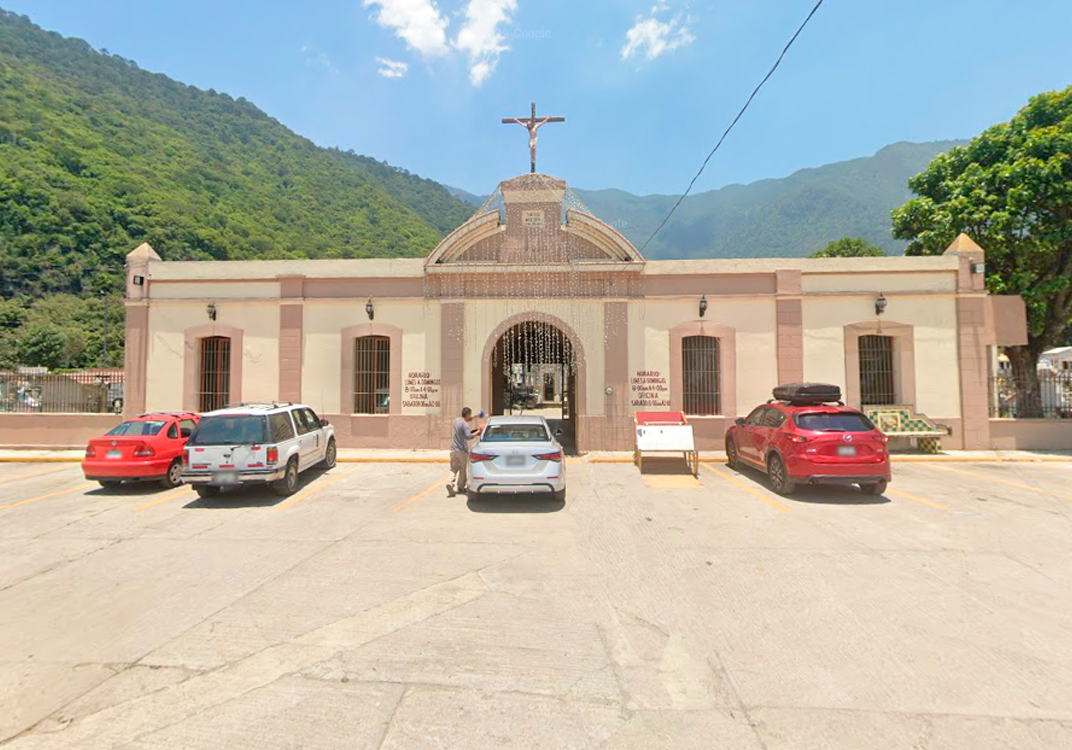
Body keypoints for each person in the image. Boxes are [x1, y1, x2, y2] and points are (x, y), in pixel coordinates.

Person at [447, 407, 483, 497]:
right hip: (461, 451)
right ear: (467, 414)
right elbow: (468, 436)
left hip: (453, 450)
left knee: (454, 468)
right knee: (463, 469)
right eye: (470, 415)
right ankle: (461, 487)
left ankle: (450, 483)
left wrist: (476, 416)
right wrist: (479, 431)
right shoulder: (465, 425)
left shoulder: (456, 420)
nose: (470, 416)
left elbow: (468, 419)